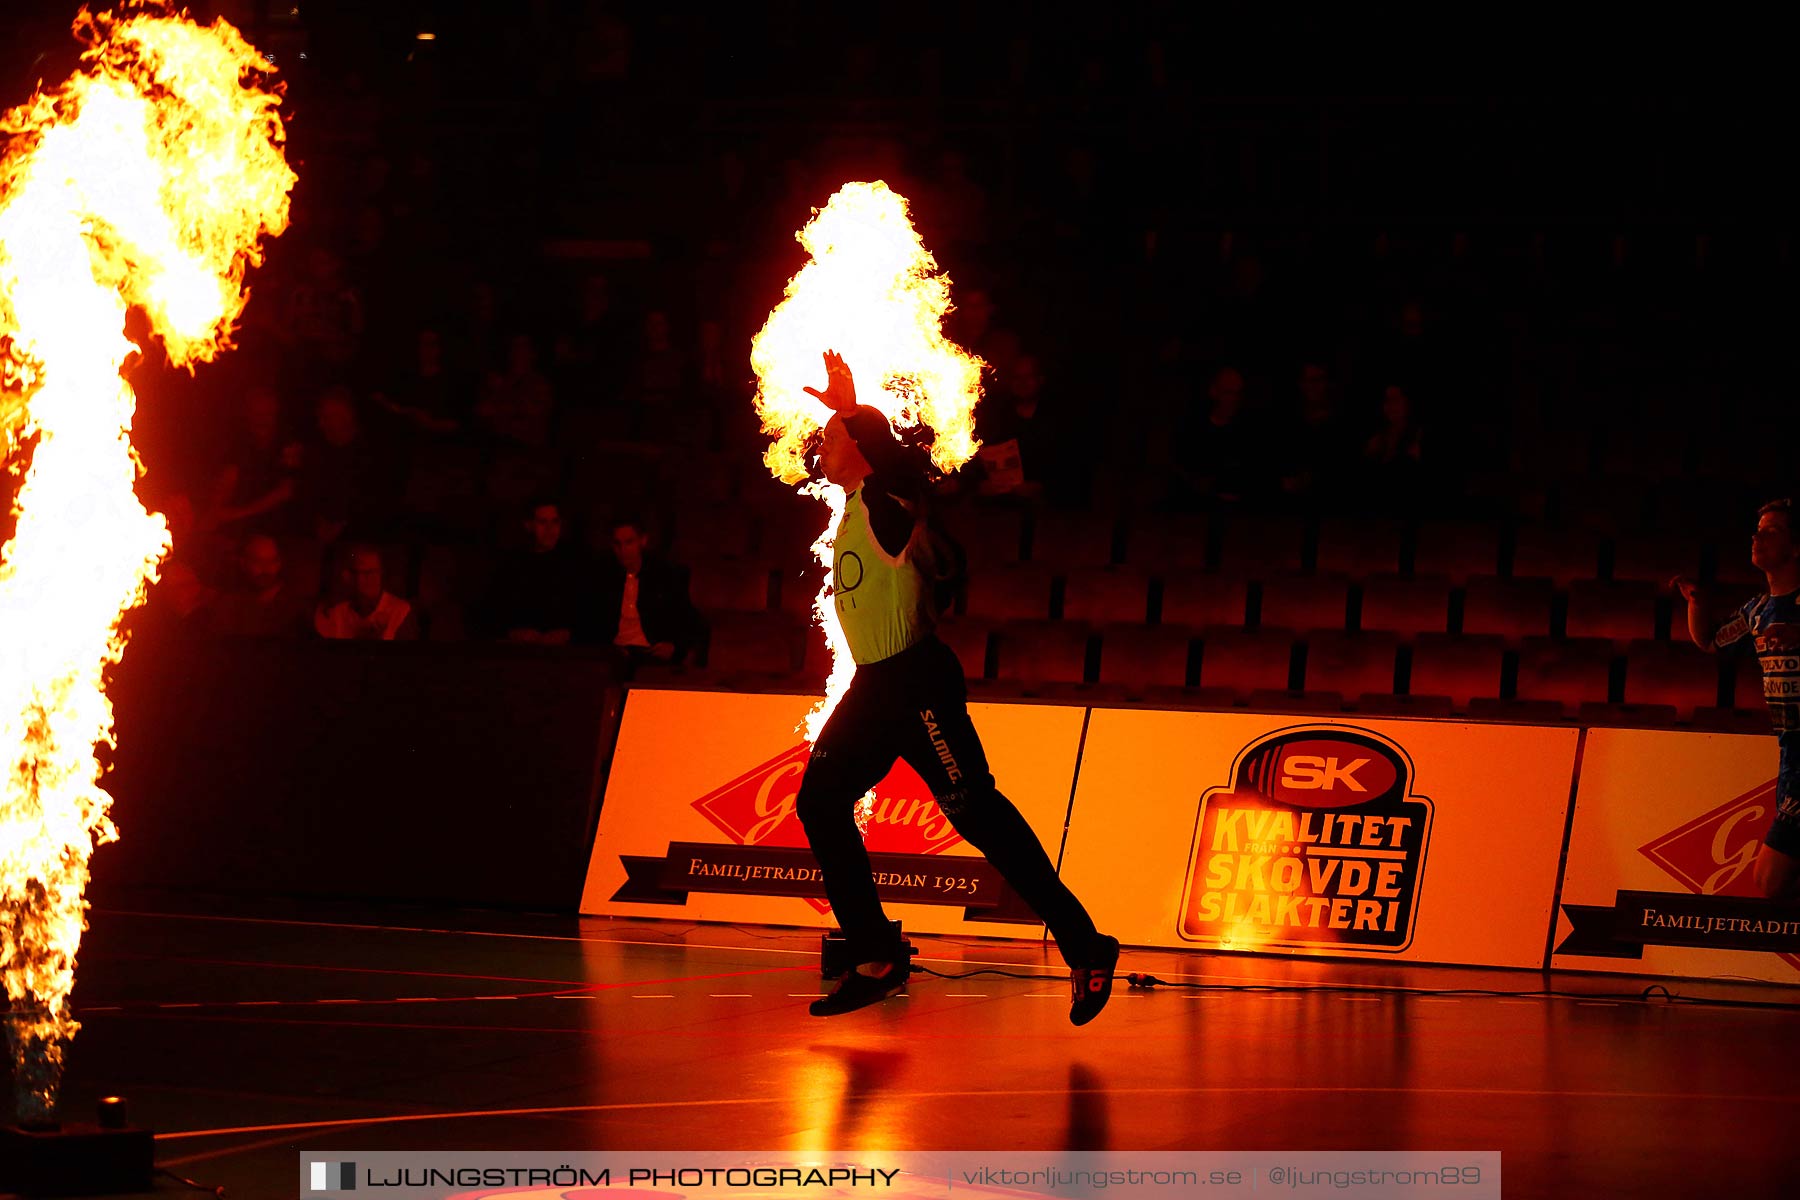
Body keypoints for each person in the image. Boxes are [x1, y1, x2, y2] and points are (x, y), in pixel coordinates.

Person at [793, 350, 1120, 1021]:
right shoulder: (854, 505)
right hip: (875, 688)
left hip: (915, 681)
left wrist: (855, 410)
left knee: (977, 814)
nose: (819, 443)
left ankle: (1086, 944)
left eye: (831, 436)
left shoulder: (886, 504)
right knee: (820, 802)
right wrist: (846, 422)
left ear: (860, 448)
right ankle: (876, 955)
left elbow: (890, 464)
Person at [1673, 498, 1800, 900]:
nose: (1757, 537)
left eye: (1771, 531)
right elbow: (1711, 641)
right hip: (1790, 749)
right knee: (1775, 882)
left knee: (1770, 880)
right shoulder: (1758, 610)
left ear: (1796, 547)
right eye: (1757, 530)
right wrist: (1697, 603)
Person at [594, 514, 705, 670]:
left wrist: (675, 648)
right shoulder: (603, 576)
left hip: (651, 653)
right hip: (614, 653)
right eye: (617, 544)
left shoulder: (666, 575)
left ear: (642, 541)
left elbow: (687, 618)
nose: (623, 550)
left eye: (629, 542)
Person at [483, 499, 589, 645]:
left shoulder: (575, 564)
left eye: (555, 522)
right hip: (522, 651)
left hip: (566, 652)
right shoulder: (511, 565)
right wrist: (513, 632)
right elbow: (492, 610)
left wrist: (569, 633)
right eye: (542, 522)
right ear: (529, 525)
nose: (550, 529)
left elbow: (588, 611)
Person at [209, 534, 311, 638]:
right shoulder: (230, 603)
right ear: (243, 563)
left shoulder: (296, 605)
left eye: (272, 561)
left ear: (280, 563)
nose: (266, 569)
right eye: (257, 561)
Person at [314, 544, 419, 641]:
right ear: (347, 575)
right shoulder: (336, 614)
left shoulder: (401, 611)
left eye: (369, 573)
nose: (361, 580)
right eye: (356, 572)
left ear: (381, 574)